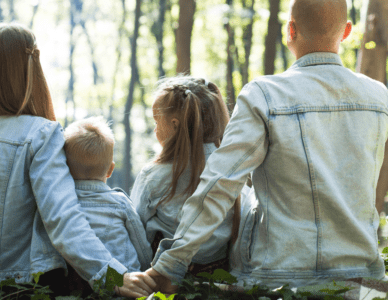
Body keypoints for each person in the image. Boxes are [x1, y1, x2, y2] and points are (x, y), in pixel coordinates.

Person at [146, 0, 388, 292]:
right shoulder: (379, 98)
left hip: (276, 277)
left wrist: (171, 264)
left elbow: (220, 183)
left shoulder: (264, 95)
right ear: (347, 31)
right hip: (357, 276)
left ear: (290, 31)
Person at [0, 23, 156, 298]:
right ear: (30, 69)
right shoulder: (40, 134)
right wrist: (112, 275)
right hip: (28, 288)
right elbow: (63, 218)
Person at [131, 76, 252, 275]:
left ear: (175, 124)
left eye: (156, 121)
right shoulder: (233, 173)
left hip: (163, 276)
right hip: (218, 276)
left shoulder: (154, 175)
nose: (155, 129)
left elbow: (136, 229)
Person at [63, 116, 153, 295]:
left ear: (64, 167)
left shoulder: (62, 205)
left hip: (79, 288)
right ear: (111, 170)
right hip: (126, 284)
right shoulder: (119, 202)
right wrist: (145, 269)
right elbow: (140, 244)